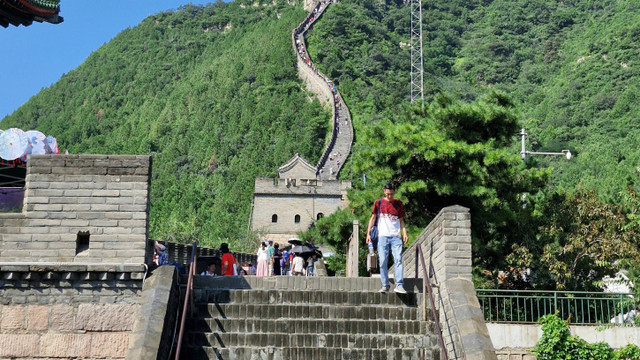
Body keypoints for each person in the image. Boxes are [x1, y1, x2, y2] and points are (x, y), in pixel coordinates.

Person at [365, 182, 409, 294]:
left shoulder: (398, 204)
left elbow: (401, 220)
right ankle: (385, 285)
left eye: (392, 194)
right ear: (384, 191)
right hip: (382, 236)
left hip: (396, 237)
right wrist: (368, 234)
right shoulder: (378, 203)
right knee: (383, 261)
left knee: (398, 259)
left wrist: (404, 233)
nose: (390, 196)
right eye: (388, 194)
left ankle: (399, 285)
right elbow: (373, 218)